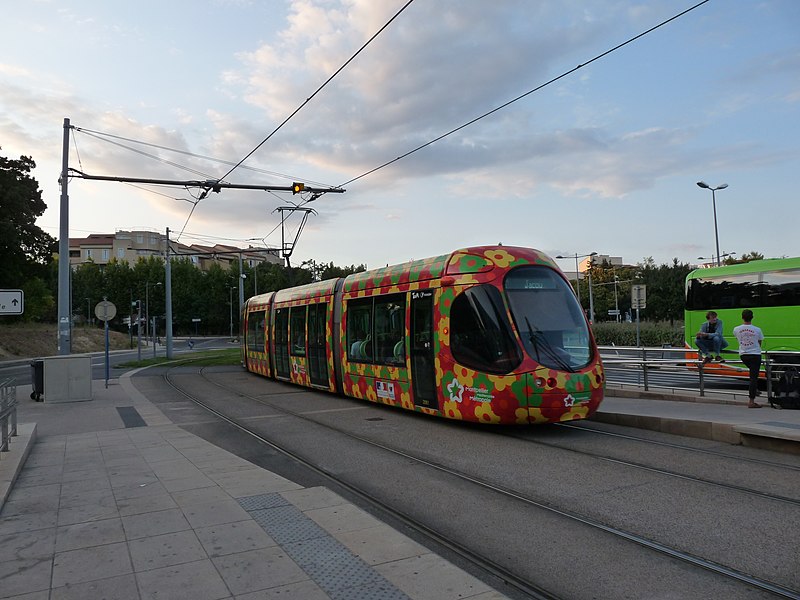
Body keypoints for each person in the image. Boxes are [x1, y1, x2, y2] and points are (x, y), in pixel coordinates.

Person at [733, 309, 764, 408]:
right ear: (752, 317)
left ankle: (755, 390)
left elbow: (738, 339)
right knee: (753, 378)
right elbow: (759, 342)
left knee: (752, 375)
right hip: (755, 355)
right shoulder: (757, 329)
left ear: (742, 317)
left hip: (743, 355)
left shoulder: (736, 329)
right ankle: (751, 401)